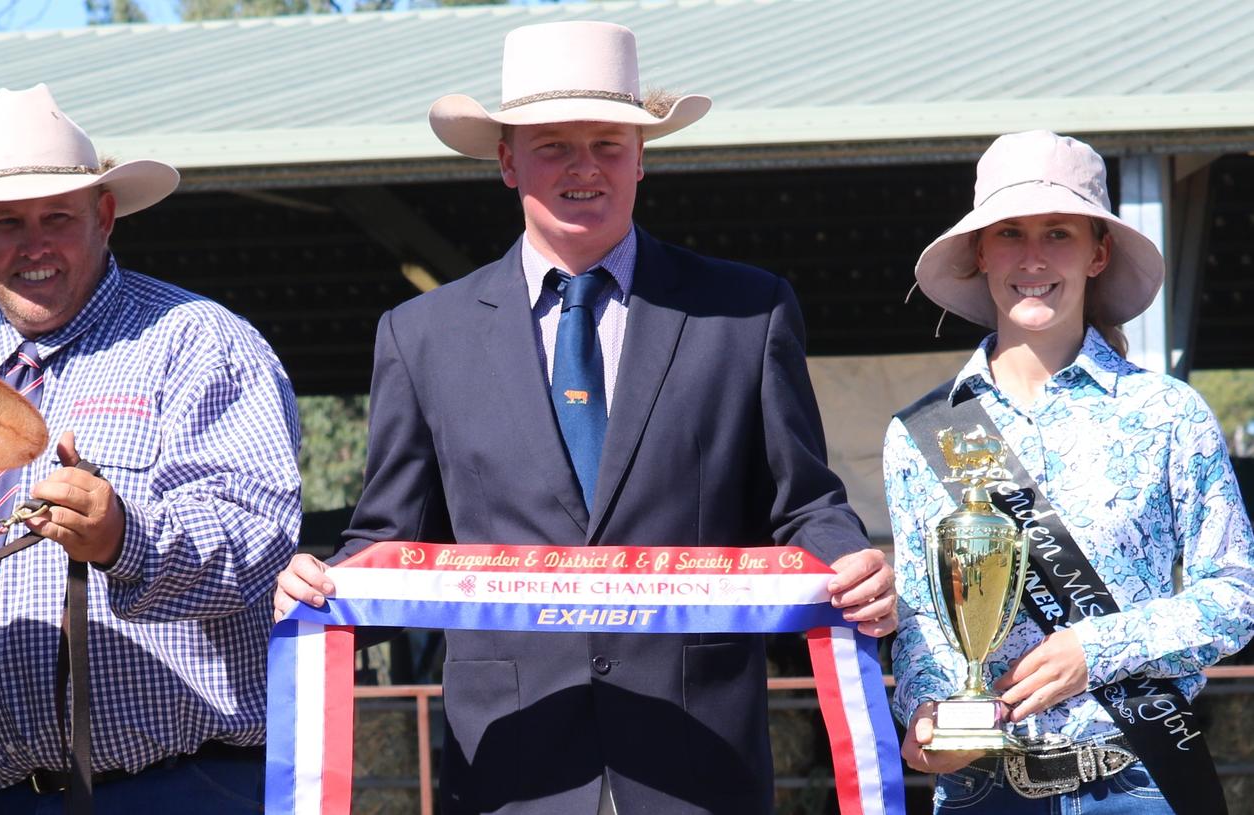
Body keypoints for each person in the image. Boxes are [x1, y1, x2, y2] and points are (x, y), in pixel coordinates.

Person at [273, 21, 895, 815]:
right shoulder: (421, 335)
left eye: (607, 142)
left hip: (698, 760)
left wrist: (851, 560)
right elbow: (390, 539)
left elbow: (804, 502)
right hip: (512, 765)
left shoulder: (746, 311)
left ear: (643, 156)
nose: (584, 167)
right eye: (553, 144)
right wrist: (322, 589)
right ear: (506, 159)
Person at [0, 84, 302, 815]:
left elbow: (259, 545)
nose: (33, 245)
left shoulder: (196, 342)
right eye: (6, 224)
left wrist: (125, 537)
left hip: (178, 790)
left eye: (56, 217)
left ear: (104, 216)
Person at [885, 130, 1254, 813]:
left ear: (1098, 251)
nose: (1032, 257)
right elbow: (918, 617)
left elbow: (1236, 593)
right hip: (981, 790)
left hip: (1139, 779)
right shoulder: (921, 434)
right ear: (980, 252)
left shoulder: (1169, 414)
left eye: (1057, 232)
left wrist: (1096, 647)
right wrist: (929, 707)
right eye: (1010, 233)